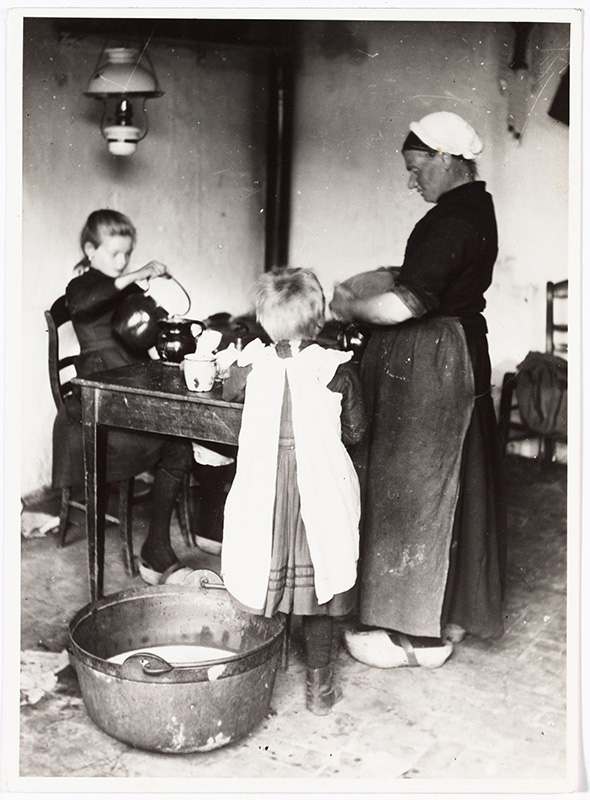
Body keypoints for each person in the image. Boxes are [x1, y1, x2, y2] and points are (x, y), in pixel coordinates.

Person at [330, 111, 507, 669]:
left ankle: (409, 630)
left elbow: (404, 304)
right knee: (449, 481)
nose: (412, 182)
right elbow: (429, 278)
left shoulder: (452, 220)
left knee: (411, 486)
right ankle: (440, 618)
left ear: (446, 159)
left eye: (416, 169)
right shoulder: (474, 207)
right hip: (456, 352)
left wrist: (347, 304)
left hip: (434, 362)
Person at [221, 267, 367, 714]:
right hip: (315, 493)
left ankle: (250, 683)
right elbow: (357, 431)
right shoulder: (335, 369)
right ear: (319, 321)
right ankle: (320, 689)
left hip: (266, 491)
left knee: (263, 577)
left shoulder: (251, 365)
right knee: (318, 589)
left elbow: (227, 392)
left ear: (263, 320)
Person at [52, 209, 194, 583]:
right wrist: (137, 273)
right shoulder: (82, 286)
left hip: (129, 390)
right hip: (100, 404)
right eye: (114, 254)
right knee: (170, 439)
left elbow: (150, 327)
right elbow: (83, 305)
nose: (122, 262)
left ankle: (157, 547)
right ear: (90, 250)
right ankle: (156, 550)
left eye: (127, 254)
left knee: (180, 439)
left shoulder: (125, 287)